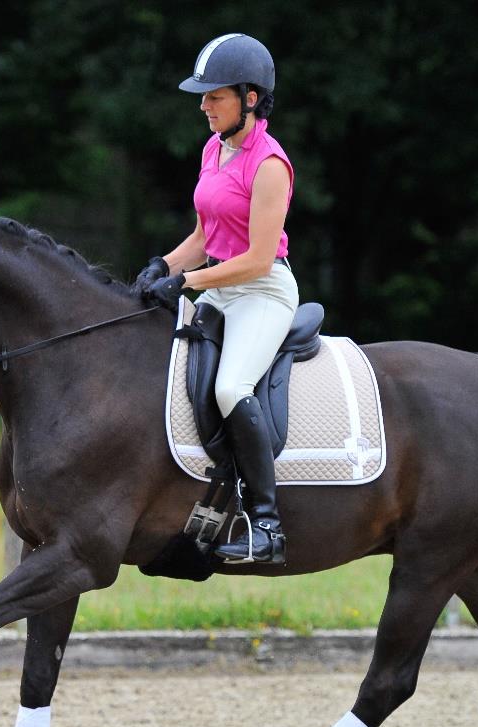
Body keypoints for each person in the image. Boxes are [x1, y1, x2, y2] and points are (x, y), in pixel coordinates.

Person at [135, 33, 296, 565]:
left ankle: (267, 527)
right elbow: (205, 238)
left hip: (261, 291)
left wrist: (185, 283)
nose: (203, 105)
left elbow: (255, 258)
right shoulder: (215, 148)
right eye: (202, 97)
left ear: (251, 99)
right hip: (218, 287)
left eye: (214, 95)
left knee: (230, 386)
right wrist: (164, 265)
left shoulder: (270, 165)